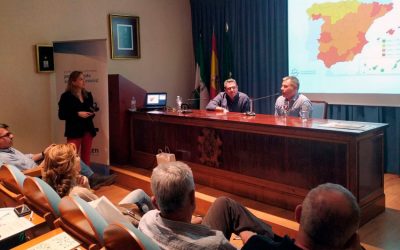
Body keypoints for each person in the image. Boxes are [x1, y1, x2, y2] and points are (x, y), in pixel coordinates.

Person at [138, 161, 274, 250]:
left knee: (223, 204)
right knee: (258, 240)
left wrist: (192, 223)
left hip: (185, 237)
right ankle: (274, 244)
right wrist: (251, 240)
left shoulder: (146, 220)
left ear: (155, 202)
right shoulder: (217, 245)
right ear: (192, 198)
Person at [41, 143, 151, 226]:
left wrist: (85, 186)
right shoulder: (78, 193)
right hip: (119, 225)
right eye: (76, 156)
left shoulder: (51, 186)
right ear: (70, 165)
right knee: (140, 194)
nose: (79, 158)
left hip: (99, 222)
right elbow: (104, 210)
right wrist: (85, 189)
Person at [242, 183, 364, 250]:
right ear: (351, 240)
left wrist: (251, 237)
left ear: (298, 214)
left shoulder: (256, 246)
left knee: (227, 206)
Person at [0, 123, 115, 190]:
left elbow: (27, 157)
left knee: (66, 151)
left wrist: (44, 153)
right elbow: (27, 174)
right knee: (68, 155)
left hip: (39, 167)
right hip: (37, 176)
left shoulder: (8, 149)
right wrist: (48, 160)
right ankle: (88, 181)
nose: (12, 135)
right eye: (7, 135)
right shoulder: (4, 158)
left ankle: (90, 178)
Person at [58, 71, 97, 166]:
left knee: (86, 157)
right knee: (71, 157)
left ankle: (87, 179)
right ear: (73, 82)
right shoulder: (66, 96)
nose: (84, 81)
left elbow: (91, 111)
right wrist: (77, 114)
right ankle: (72, 178)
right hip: (74, 131)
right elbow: (61, 115)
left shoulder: (88, 95)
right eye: (81, 79)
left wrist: (90, 113)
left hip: (88, 129)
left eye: (84, 79)